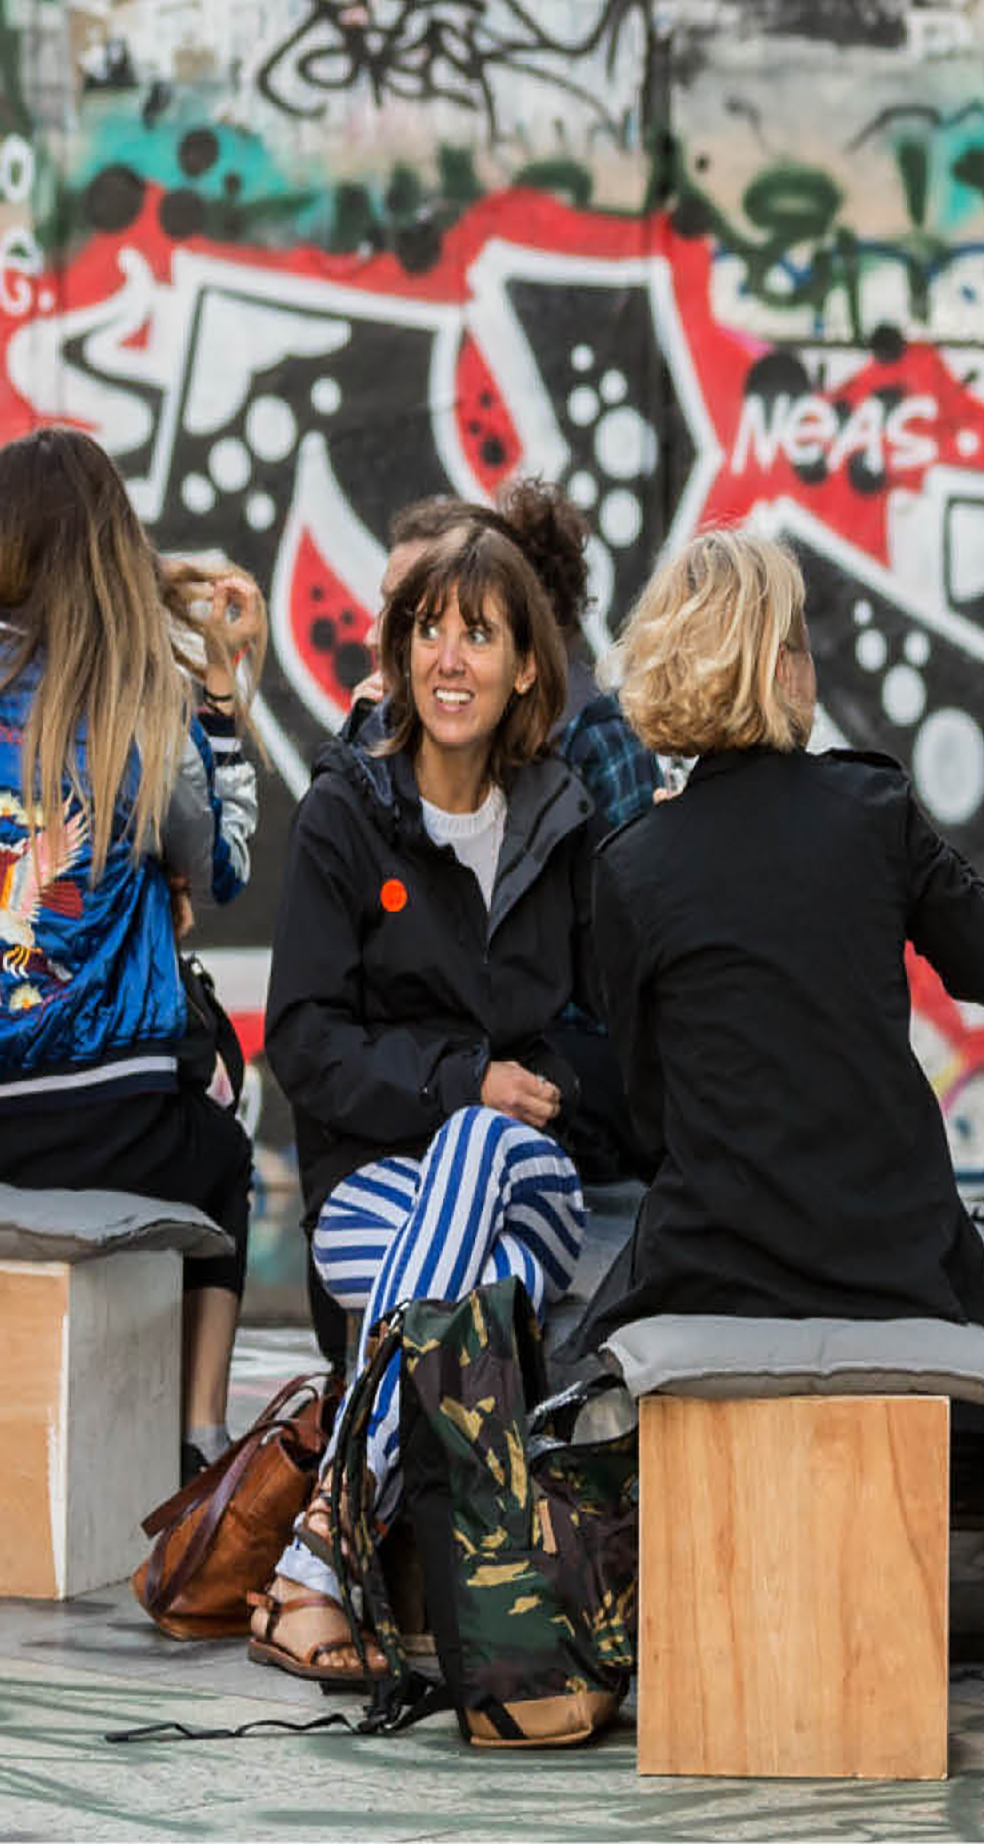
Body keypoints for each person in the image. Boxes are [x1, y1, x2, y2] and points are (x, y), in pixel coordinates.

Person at [255, 508, 619, 1683]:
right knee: (483, 1281)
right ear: (402, 653)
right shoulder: (344, 818)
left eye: (480, 635)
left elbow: (611, 1040)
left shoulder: (565, 827)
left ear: (526, 668)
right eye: (429, 631)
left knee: (482, 1152)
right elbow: (301, 1044)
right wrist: (465, 1083)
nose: (450, 658)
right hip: (372, 1192)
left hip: (534, 1179)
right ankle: (459, 1572)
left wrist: (541, 1092)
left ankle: (325, 1550)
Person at [0, 428, 260, 1479]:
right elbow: (220, 865)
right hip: (102, 1121)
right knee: (225, 1157)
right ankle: (198, 1438)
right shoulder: (146, 699)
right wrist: (223, 701)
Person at [575, 526, 984, 1343]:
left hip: (713, 1271)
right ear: (781, 667)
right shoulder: (872, 811)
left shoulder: (630, 865)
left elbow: (652, 1112)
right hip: (899, 1267)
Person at [350, 482, 662, 840]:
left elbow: (627, 888)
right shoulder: (379, 749)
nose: (374, 636)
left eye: (422, 616)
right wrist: (366, 757)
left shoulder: (594, 739)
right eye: (428, 628)